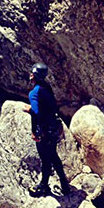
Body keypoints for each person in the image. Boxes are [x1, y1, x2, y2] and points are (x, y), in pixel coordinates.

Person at [24, 62, 70, 197]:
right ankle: (64, 185)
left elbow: (37, 112)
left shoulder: (34, 92)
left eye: (31, 73)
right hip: (54, 127)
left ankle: (43, 186)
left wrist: (34, 130)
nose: (30, 75)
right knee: (53, 156)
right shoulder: (47, 87)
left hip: (45, 131)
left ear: (33, 76)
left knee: (46, 159)